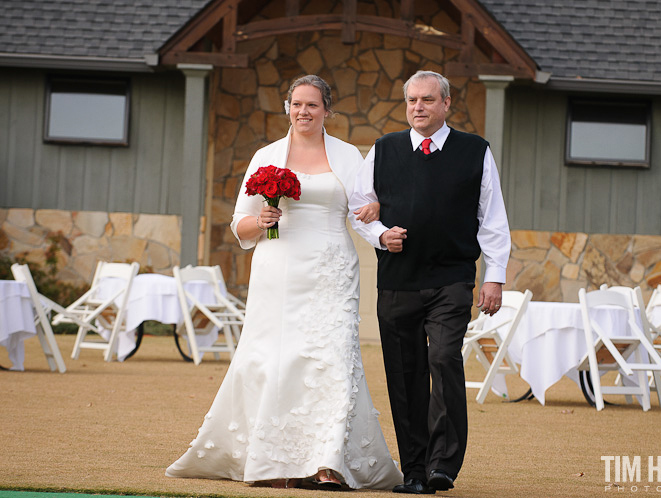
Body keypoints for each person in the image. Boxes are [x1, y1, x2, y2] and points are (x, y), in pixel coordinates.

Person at [166, 75, 402, 491]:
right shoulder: (266, 156)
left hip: (330, 268)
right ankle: (272, 459)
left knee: (331, 359)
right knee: (273, 359)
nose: (303, 112)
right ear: (287, 107)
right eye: (297, 104)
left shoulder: (349, 156)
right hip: (277, 267)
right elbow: (239, 222)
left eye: (313, 105)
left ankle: (327, 462)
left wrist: (381, 227)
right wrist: (260, 221)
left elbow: (363, 212)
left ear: (328, 110)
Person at [349, 70, 511, 495]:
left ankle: (443, 465)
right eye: (412, 101)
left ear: (446, 104)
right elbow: (358, 205)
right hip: (398, 281)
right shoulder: (384, 150)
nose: (418, 107)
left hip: (451, 280)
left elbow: (492, 221)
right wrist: (380, 235)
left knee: (442, 359)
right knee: (404, 376)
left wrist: (494, 278)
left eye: (427, 99)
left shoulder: (475, 151)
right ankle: (415, 472)